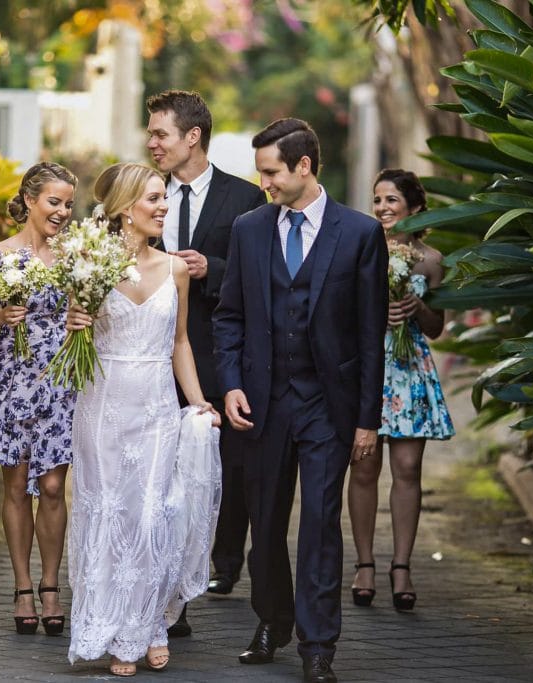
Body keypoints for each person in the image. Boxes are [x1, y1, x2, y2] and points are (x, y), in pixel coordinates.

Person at [212, 118, 387, 683]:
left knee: (318, 522)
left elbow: (369, 336)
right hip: (262, 402)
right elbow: (230, 315)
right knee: (263, 522)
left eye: (271, 172)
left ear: (304, 166)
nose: (263, 182)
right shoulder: (249, 228)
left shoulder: (359, 233)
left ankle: (318, 646)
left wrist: (367, 421)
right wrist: (232, 382)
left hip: (327, 407)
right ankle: (273, 619)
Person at [65, 162, 222, 677]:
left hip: (156, 407)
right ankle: (107, 625)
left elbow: (180, 343)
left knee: (154, 515)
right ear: (123, 208)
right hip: (101, 404)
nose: (162, 207)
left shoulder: (176, 268)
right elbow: (73, 345)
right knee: (107, 514)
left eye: (164, 198)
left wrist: (198, 402)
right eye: (152, 198)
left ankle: (148, 625)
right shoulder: (89, 264)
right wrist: (75, 324)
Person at [145, 90, 266, 630]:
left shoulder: (245, 198)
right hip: (152, 359)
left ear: (192, 136)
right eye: (150, 134)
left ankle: (224, 562)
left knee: (227, 473)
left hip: (219, 356)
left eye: (160, 134)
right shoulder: (144, 195)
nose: (152, 144)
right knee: (167, 479)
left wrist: (209, 270)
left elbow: (260, 278)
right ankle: (174, 603)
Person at [0, 162, 77, 637]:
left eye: (68, 204)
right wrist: (1, 316)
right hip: (14, 380)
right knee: (16, 486)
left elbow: (90, 308)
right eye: (54, 202)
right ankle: (22, 586)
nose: (62, 212)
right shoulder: (0, 254)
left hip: (61, 381)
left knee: (51, 487)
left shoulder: (76, 256)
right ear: (29, 201)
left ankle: (51, 586)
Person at [347, 168, 455, 612]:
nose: (382, 208)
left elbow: (437, 328)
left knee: (408, 467)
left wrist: (417, 307)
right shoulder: (358, 250)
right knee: (365, 466)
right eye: (377, 200)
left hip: (410, 370)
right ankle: (365, 563)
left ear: (413, 207)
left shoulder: (431, 260)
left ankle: (402, 566)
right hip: (369, 369)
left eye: (391, 200)